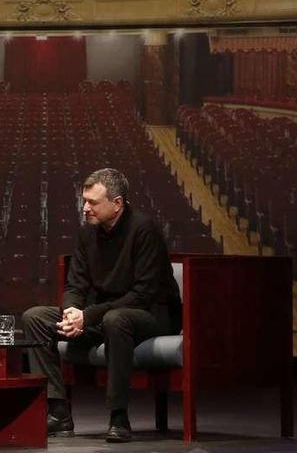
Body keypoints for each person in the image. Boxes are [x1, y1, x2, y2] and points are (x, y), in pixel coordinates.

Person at [22, 168, 181, 443]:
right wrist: (73, 311)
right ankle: (58, 412)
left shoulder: (144, 230)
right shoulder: (87, 234)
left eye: (93, 202)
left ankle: (118, 417)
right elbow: (75, 285)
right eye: (84, 200)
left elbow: (142, 294)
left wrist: (88, 316)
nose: (85, 208)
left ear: (117, 203)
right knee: (35, 317)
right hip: (102, 313)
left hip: (151, 314)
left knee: (116, 319)